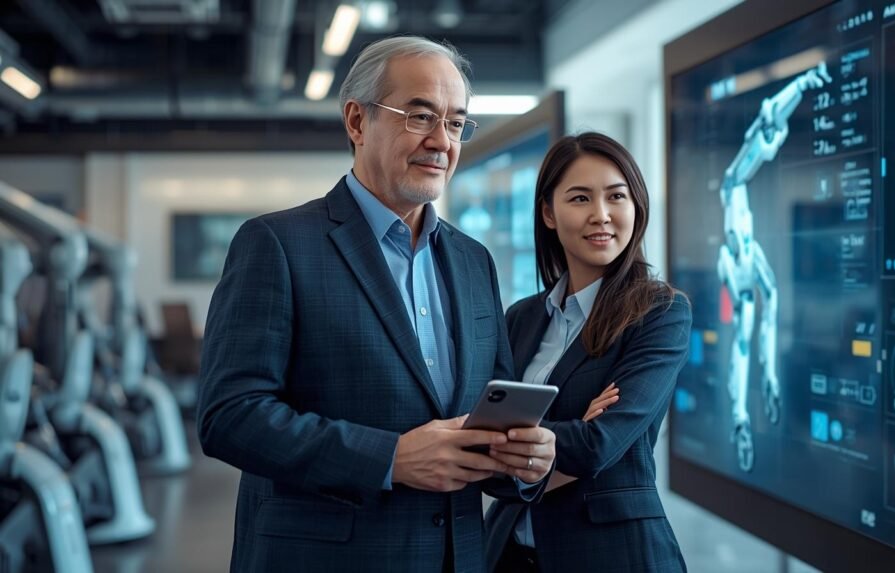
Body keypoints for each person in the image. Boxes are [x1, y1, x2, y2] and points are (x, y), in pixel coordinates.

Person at [196, 36, 555, 573]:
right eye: (419, 116)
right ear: (357, 123)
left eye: (455, 123)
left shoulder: (473, 260)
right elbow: (229, 415)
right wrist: (389, 458)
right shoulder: (276, 244)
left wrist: (524, 461)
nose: (442, 142)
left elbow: (485, 413)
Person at [484, 132, 692, 572]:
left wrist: (520, 440)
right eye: (580, 198)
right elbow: (482, 444)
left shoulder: (660, 313)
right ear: (549, 213)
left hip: (613, 555)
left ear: (636, 206)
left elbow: (602, 445)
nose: (601, 215)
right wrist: (573, 428)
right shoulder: (522, 318)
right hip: (508, 554)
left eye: (616, 196)